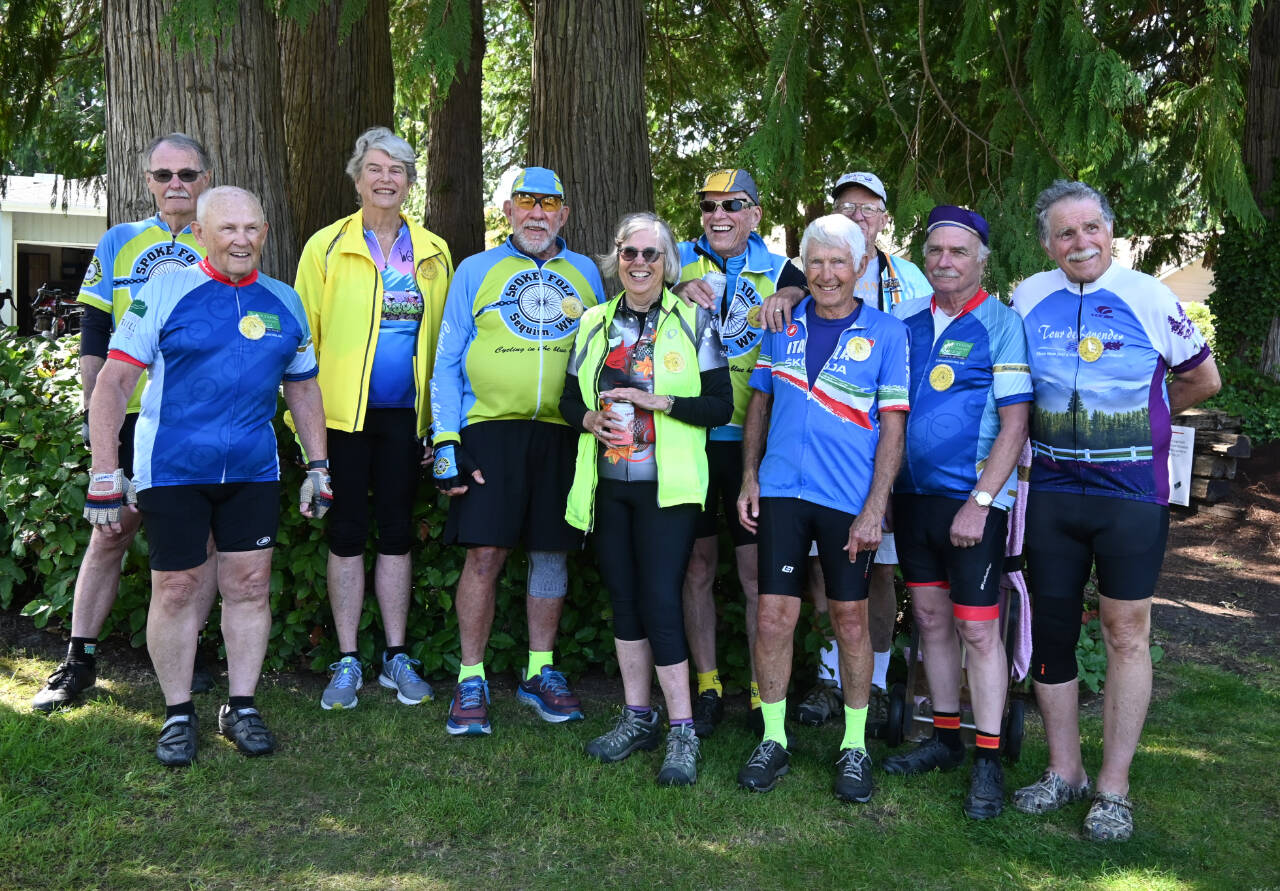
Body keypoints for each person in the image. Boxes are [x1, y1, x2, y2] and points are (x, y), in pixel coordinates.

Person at [83, 186, 331, 765]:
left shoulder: (284, 301)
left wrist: (318, 466)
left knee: (247, 586)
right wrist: (104, 471)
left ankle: (240, 705)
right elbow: (113, 385)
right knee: (176, 589)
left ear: (265, 233)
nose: (241, 240)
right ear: (200, 233)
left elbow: (302, 386)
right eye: (228, 229)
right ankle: (176, 712)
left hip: (252, 468)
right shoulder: (163, 291)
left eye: (252, 229)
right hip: (172, 468)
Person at [1011, 180, 1220, 841]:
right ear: (1048, 243)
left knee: (1126, 632)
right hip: (1050, 492)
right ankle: (1063, 770)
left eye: (1091, 228)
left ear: (1111, 232)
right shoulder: (1026, 297)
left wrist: (1146, 426)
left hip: (1130, 496)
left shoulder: (1150, 297)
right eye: (1065, 233)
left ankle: (1114, 787)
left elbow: (1201, 378)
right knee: (1050, 634)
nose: (1081, 242)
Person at [32, 133, 217, 712]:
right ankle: (78, 660)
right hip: (132, 416)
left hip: (195, 420)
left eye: (186, 174)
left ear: (205, 179)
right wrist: (98, 426)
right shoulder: (119, 241)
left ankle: (192, 652)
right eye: (163, 176)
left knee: (202, 542)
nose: (175, 186)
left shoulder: (224, 240)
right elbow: (94, 337)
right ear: (147, 182)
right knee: (110, 532)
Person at [735, 214, 909, 802]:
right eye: (815, 262)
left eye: (839, 262)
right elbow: (758, 402)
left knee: (850, 619)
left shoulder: (888, 332)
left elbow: (893, 428)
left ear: (861, 266)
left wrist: (874, 508)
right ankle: (774, 737)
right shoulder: (782, 322)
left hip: (847, 499)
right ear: (802, 267)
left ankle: (854, 745)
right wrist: (750, 477)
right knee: (773, 617)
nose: (826, 273)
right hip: (782, 492)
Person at [430, 166, 605, 735]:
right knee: (484, 554)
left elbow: (607, 352)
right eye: (525, 203)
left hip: (562, 431)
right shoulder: (476, 270)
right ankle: (471, 676)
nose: (536, 214)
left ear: (564, 215)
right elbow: (447, 363)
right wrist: (446, 439)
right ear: (507, 211)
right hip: (489, 430)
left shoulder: (586, 274)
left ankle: (539, 670)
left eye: (548, 205)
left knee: (552, 554)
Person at [560, 212, 732, 785]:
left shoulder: (695, 323)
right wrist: (587, 418)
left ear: (667, 264)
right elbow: (567, 399)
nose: (638, 264)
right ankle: (638, 717)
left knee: (661, 599)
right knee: (625, 600)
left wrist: (665, 404)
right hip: (607, 487)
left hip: (671, 490)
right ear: (616, 259)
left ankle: (682, 730)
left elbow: (720, 407)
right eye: (629, 253)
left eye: (650, 255)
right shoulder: (593, 323)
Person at [879, 205, 1032, 820]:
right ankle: (943, 739)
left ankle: (988, 756)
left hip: (972, 503)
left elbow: (1016, 422)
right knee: (930, 621)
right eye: (936, 251)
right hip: (911, 501)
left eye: (958, 252)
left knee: (977, 628)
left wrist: (982, 501)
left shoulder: (1002, 323)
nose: (945, 261)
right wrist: (882, 495)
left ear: (980, 261)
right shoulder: (903, 322)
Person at [294, 127, 453, 711]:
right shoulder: (326, 246)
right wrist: (303, 432)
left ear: (411, 182)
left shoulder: (434, 250)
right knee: (345, 533)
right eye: (376, 168)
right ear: (357, 177)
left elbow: (445, 345)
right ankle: (345, 659)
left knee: (396, 532)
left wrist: (440, 425)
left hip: (405, 420)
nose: (387, 179)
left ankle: (395, 655)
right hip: (340, 417)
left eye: (399, 169)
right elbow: (301, 342)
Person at [772, 172, 933, 732]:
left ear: (884, 218)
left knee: (879, 574)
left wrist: (880, 490)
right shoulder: (805, 273)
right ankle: (826, 678)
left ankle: (878, 680)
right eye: (847, 206)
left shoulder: (909, 277)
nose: (859, 214)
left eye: (869, 208)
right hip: (811, 473)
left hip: (881, 453)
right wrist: (788, 292)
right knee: (822, 573)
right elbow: (781, 315)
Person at [673, 168, 807, 736]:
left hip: (755, 444)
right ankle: (707, 686)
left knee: (755, 574)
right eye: (708, 206)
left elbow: (814, 288)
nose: (718, 216)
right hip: (691, 440)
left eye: (733, 204)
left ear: (754, 213)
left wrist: (790, 293)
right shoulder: (676, 256)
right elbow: (629, 290)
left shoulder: (779, 266)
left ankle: (761, 686)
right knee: (698, 568)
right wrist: (673, 289)